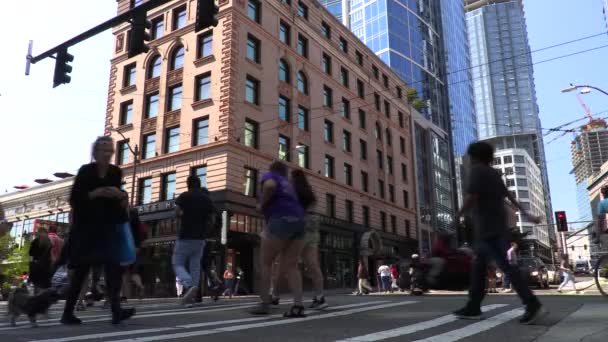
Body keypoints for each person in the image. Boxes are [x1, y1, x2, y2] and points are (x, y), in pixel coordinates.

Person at [453, 141, 544, 324]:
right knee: (479, 268)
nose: (469, 159)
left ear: (475, 157)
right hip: (497, 227)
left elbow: (473, 196)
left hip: (487, 229)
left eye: (471, 156)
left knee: (505, 267)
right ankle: (474, 305)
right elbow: (510, 197)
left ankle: (530, 301)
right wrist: (528, 215)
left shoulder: (477, 171)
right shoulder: (494, 173)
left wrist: (459, 215)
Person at [61, 136, 135, 325]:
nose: (106, 152)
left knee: (113, 268)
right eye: (102, 148)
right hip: (86, 228)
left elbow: (120, 199)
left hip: (108, 227)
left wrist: (120, 195)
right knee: (81, 271)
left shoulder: (115, 172)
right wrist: (96, 193)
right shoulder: (86, 171)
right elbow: (75, 199)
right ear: (95, 152)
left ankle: (116, 310)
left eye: (109, 149)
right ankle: (67, 312)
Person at [250, 161, 307, 317]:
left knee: (266, 263)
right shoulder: (288, 185)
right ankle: (298, 305)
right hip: (300, 222)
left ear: (272, 169)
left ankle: (264, 303)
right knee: (292, 266)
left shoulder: (271, 175)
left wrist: (262, 204)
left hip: (280, 219)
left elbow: (269, 186)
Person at [172, 175, 215, 306]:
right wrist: (206, 229)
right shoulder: (206, 199)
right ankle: (193, 294)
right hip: (200, 238)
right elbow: (212, 218)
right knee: (195, 266)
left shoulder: (184, 196)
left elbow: (177, 211)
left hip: (185, 235)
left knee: (177, 263)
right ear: (199, 184)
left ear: (188, 184)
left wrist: (181, 216)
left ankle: (189, 284)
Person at [122, 209, 145, 301]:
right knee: (134, 272)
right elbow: (143, 237)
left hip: (126, 248)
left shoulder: (126, 223)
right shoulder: (139, 225)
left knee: (124, 274)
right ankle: (140, 285)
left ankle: (124, 296)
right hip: (136, 249)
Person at [29, 228, 53, 293]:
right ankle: (42, 297)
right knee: (44, 283)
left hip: (37, 264)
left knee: (37, 283)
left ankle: (37, 296)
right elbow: (51, 254)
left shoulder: (35, 241)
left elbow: (31, 254)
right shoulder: (49, 241)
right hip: (46, 265)